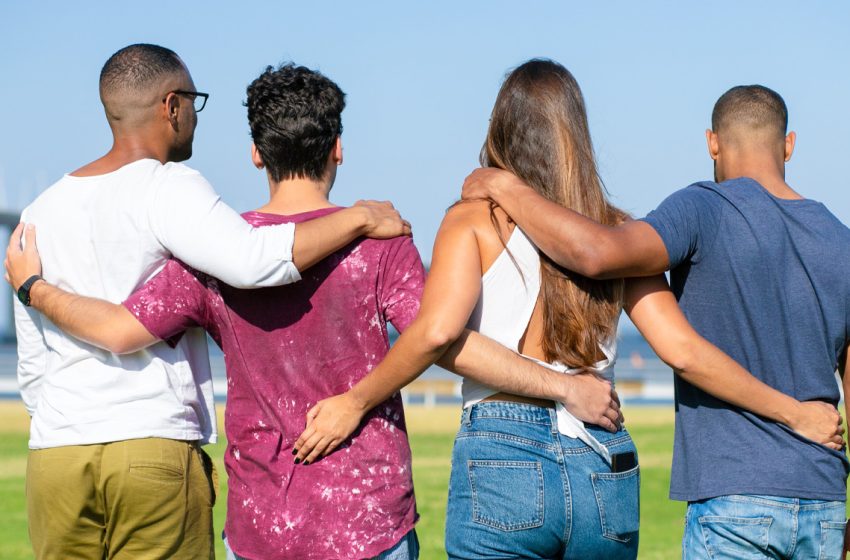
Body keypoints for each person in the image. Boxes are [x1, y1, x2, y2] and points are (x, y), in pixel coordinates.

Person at [7, 62, 628, 560]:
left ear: (256, 153)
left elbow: (117, 331)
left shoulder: (213, 255)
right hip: (371, 517)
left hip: (261, 523)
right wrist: (563, 386)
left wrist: (34, 285)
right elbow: (445, 339)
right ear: (338, 149)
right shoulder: (381, 243)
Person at [288, 60, 843, 560]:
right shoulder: (617, 226)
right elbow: (681, 349)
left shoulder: (472, 219)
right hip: (603, 452)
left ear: (500, 129)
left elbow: (436, 333)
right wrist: (794, 411)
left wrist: (356, 401)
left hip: (502, 449)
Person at [11, 43, 411, 560]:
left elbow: (36, 366)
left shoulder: (41, 209)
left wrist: (34, 292)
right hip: (151, 442)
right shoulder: (169, 188)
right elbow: (252, 260)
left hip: (57, 451)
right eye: (195, 104)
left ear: (257, 153)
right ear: (171, 106)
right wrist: (358, 218)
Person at [461, 83, 850, 559]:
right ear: (789, 145)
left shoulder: (702, 208)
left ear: (712, 142)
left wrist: (504, 185)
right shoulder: (841, 239)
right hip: (825, 498)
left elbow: (599, 254)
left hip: (734, 496)